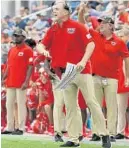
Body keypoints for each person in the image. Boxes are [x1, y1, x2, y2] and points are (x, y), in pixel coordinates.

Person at [37, 2, 111, 148]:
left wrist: (83, 61)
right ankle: (74, 138)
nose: (54, 11)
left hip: (81, 70)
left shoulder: (77, 26)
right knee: (70, 106)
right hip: (64, 73)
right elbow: (41, 44)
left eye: (57, 9)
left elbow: (91, 44)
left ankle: (105, 134)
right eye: (53, 9)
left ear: (66, 12)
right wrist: (42, 50)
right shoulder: (52, 29)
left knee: (91, 102)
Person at [78, 4, 129, 142]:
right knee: (96, 106)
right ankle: (97, 132)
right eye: (100, 23)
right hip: (95, 76)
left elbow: (126, 59)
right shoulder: (95, 35)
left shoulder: (119, 42)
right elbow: (82, 25)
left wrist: (127, 77)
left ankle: (111, 133)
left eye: (104, 23)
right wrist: (81, 12)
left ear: (111, 26)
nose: (100, 25)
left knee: (112, 106)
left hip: (112, 78)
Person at [1, 28, 33, 135]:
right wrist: (3, 78)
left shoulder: (28, 50)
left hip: (21, 83)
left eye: (18, 35)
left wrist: (26, 81)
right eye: (15, 35)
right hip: (10, 82)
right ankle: (9, 127)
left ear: (24, 37)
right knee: (9, 104)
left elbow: (30, 67)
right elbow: (8, 66)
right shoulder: (12, 50)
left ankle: (21, 128)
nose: (16, 37)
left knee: (20, 105)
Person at [115, 28, 129, 139]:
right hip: (120, 82)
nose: (119, 38)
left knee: (122, 108)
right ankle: (120, 131)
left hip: (124, 81)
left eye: (121, 36)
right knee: (121, 108)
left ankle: (121, 131)